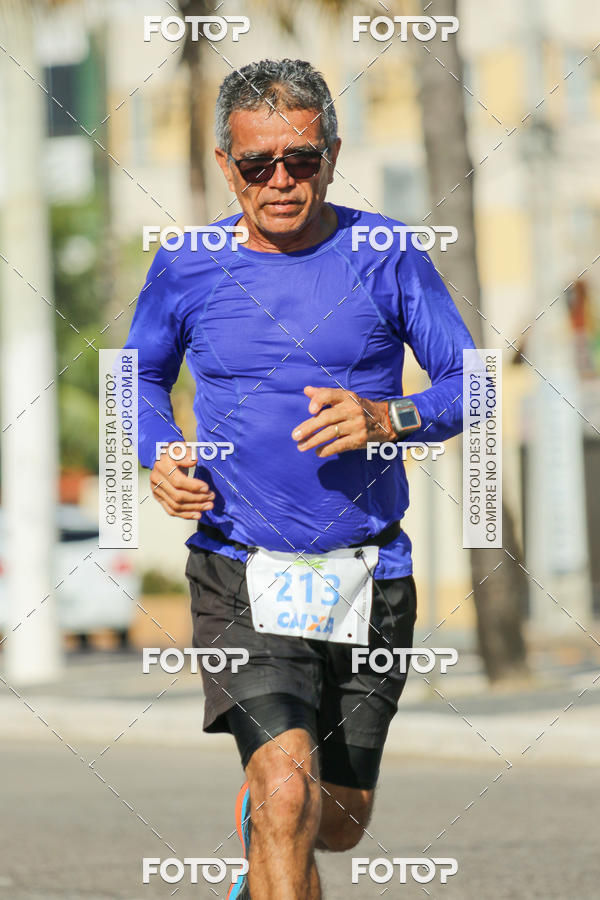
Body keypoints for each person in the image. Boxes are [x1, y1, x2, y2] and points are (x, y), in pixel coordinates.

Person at [125, 58, 475, 900]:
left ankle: (273, 831)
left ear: (333, 155)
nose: (281, 181)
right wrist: (160, 453)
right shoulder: (188, 263)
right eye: (257, 164)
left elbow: (476, 385)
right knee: (287, 792)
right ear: (225, 165)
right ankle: (274, 807)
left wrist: (390, 417)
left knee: (339, 820)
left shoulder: (387, 254)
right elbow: (131, 379)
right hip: (239, 564)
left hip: (369, 570)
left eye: (302, 159)